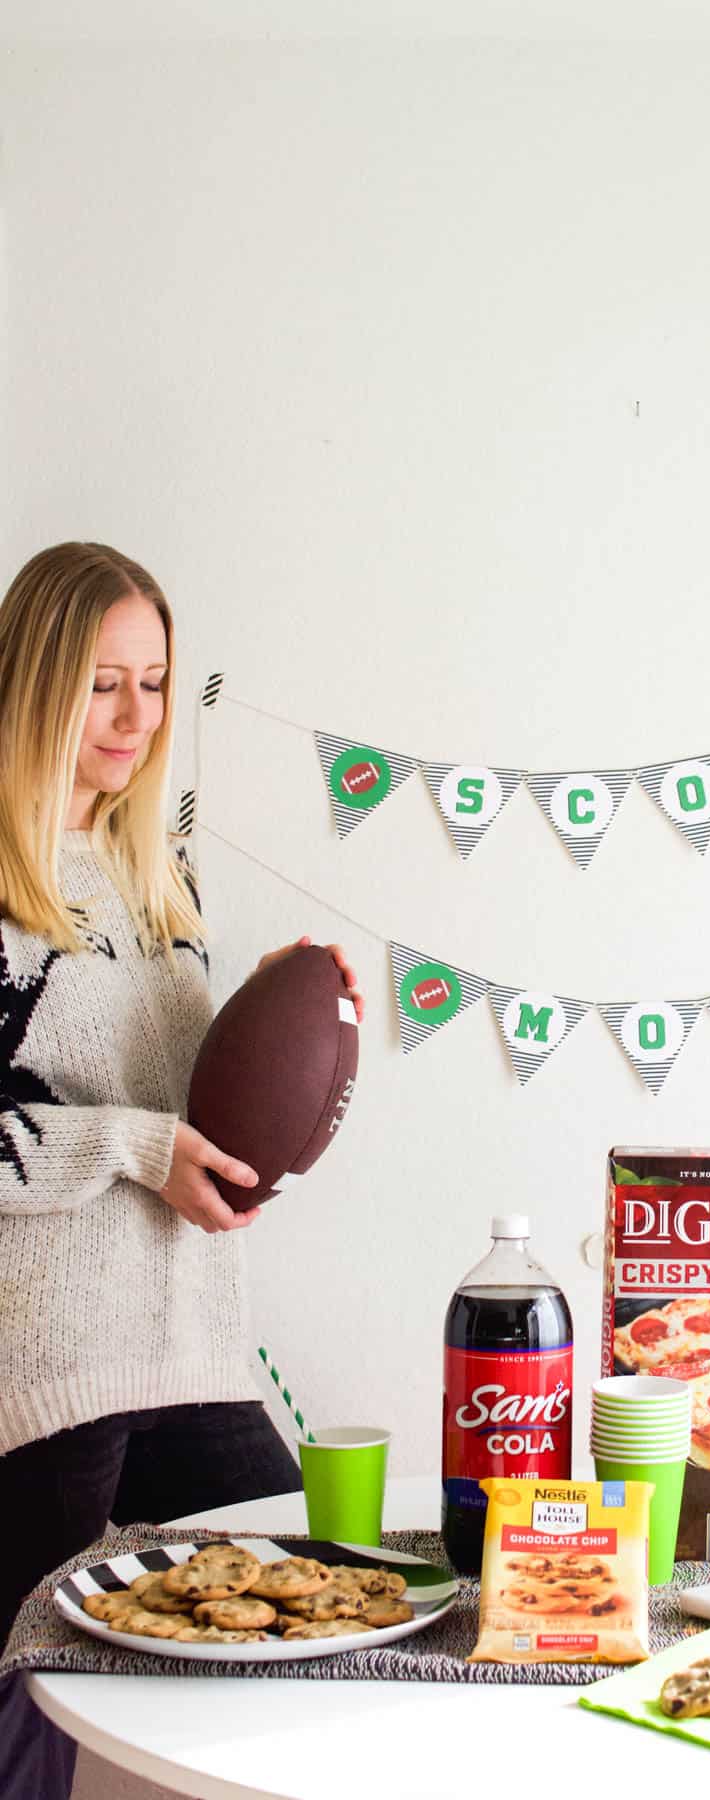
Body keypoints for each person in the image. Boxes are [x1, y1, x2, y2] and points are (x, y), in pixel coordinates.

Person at [0, 541, 365, 1797]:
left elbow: (187, 1092)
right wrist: (139, 1151)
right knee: (20, 1699)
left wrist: (295, 1019)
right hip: (51, 1368)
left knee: (314, 1604)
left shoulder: (160, 873)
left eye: (154, 683)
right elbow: (106, 1129)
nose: (135, 719)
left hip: (187, 1344)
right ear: (35, 682)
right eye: (102, 683)